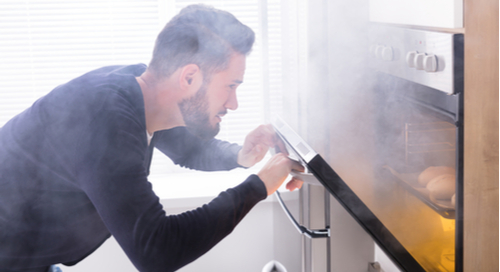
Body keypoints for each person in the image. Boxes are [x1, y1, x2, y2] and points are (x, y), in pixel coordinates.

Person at [0, 4, 304, 272]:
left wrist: (241, 155)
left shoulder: (140, 91)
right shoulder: (106, 121)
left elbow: (187, 149)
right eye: (230, 86)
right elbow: (157, 250)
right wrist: (259, 186)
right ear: (188, 77)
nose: (234, 103)